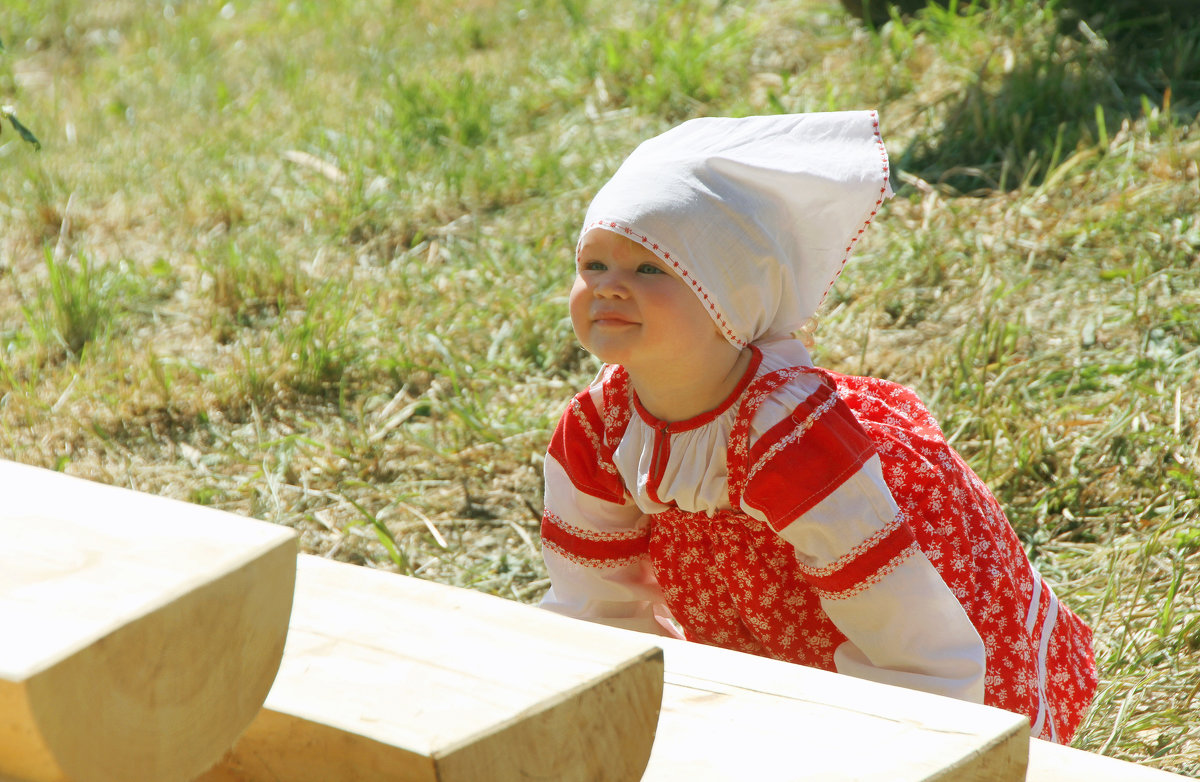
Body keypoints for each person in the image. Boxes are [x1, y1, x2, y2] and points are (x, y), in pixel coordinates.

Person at [537, 110, 1098, 743]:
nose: (609, 288)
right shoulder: (599, 424)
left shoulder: (791, 438)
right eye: (594, 265)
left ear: (729, 296)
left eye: (650, 269)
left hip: (874, 595)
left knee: (877, 691)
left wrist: (915, 739)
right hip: (747, 609)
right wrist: (616, 703)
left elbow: (902, 624)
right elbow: (593, 593)